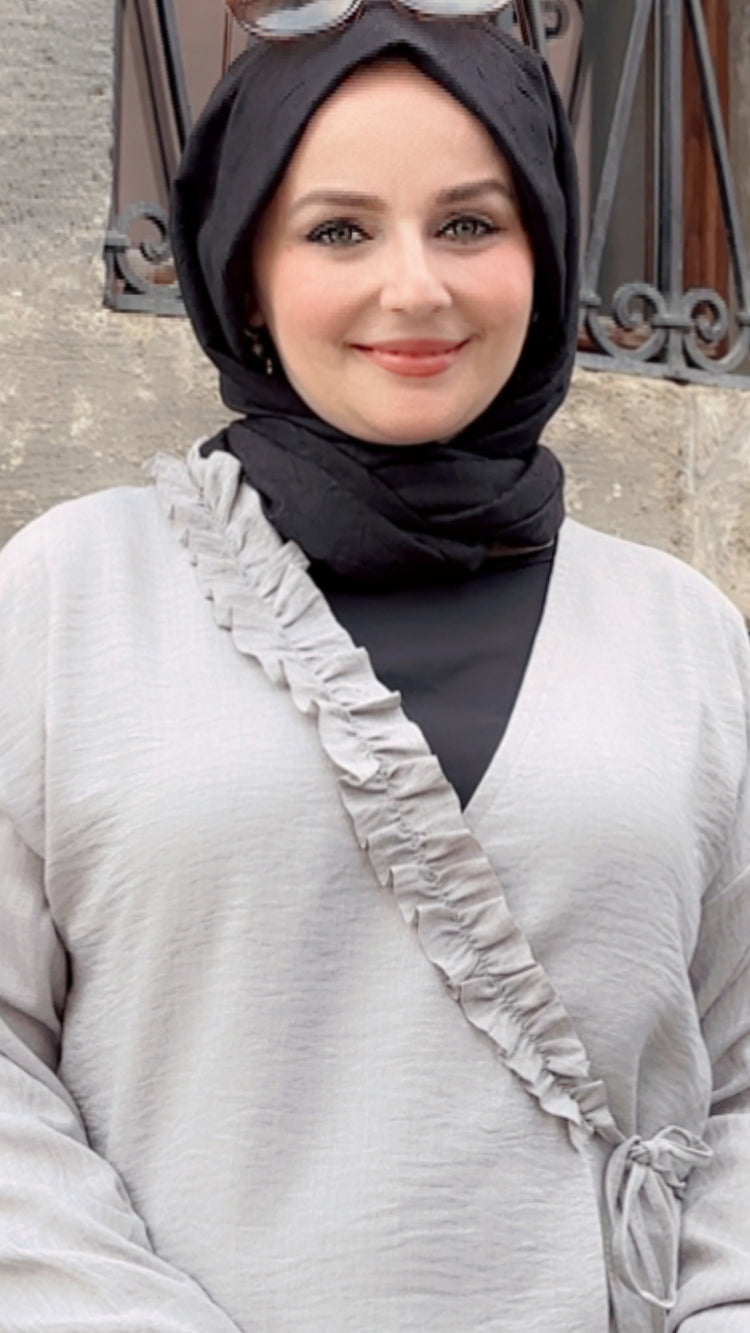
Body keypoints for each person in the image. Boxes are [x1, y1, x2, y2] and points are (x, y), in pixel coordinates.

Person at [0, 5, 748, 1331]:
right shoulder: (73, 595)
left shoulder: (680, 633)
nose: (415, 288)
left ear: (544, 253)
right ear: (244, 272)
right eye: (339, 230)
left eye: (468, 223)